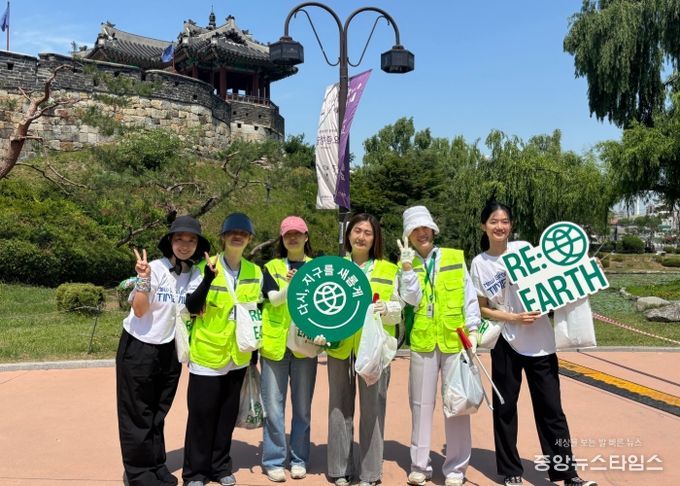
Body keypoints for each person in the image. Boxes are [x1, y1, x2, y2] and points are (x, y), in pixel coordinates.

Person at [469, 200, 597, 486]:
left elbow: (559, 275)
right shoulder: (479, 263)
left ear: (511, 225)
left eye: (504, 221)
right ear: (483, 226)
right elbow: (483, 308)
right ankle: (510, 470)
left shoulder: (524, 250)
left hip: (541, 343)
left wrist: (587, 267)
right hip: (506, 342)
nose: (499, 226)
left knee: (552, 410)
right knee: (505, 408)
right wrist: (513, 317)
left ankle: (567, 473)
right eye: (493, 221)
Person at [116, 215, 210, 486]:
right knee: (138, 413)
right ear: (170, 241)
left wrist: (208, 280)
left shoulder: (194, 274)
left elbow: (194, 307)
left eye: (191, 240)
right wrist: (143, 279)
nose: (184, 245)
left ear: (197, 245)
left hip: (170, 349)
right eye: (179, 239)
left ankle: (156, 465)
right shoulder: (155, 268)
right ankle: (139, 473)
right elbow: (139, 309)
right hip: (139, 346)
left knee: (158, 413)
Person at [398, 205, 481, 486]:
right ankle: (419, 465)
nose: (421, 233)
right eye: (415, 230)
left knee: (457, 403)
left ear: (433, 230)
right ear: (408, 236)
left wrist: (473, 331)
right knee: (420, 405)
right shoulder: (405, 263)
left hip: (454, 340)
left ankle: (456, 468)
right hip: (423, 341)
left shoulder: (454, 257)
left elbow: (469, 296)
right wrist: (407, 268)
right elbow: (410, 299)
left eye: (425, 228)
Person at [325, 213, 407, 486]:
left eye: (368, 232)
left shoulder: (389, 269)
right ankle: (340, 469)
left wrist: (387, 308)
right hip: (340, 346)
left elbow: (399, 308)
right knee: (339, 406)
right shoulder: (334, 267)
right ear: (348, 234)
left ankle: (370, 473)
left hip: (374, 349)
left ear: (375, 238)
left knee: (373, 408)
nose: (361, 237)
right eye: (357, 230)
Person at [182, 212, 263, 486]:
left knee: (226, 416)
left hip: (238, 355)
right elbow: (192, 307)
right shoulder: (205, 266)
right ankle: (195, 473)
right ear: (223, 237)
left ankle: (220, 467)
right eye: (232, 233)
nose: (237, 237)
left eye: (243, 233)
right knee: (202, 417)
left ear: (249, 239)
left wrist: (254, 353)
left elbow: (256, 312)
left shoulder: (255, 272)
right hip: (208, 353)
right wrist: (207, 279)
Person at [259, 216, 317, 482]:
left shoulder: (318, 268)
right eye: (287, 234)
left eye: (298, 233)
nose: (293, 238)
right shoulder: (271, 267)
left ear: (306, 237)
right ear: (282, 239)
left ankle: (299, 459)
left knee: (302, 407)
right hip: (275, 346)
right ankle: (273, 460)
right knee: (273, 407)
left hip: (305, 345)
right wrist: (293, 285)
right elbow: (273, 300)